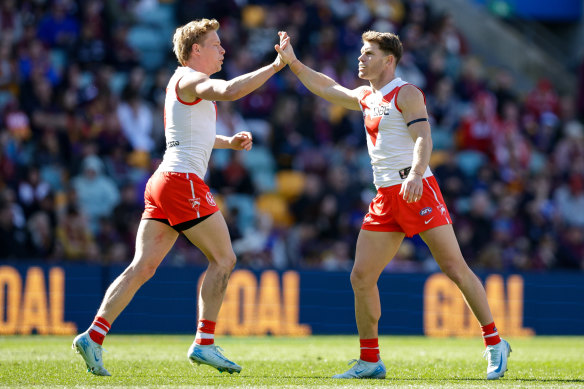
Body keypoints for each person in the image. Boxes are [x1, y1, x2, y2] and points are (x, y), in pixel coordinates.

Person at [275, 31, 511, 380]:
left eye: (368, 53)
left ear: (389, 60)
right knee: (361, 277)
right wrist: (292, 62)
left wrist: (416, 173)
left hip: (417, 188)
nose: (361, 58)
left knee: (455, 269)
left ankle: (495, 344)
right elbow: (326, 88)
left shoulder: (407, 93)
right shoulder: (367, 96)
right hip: (385, 195)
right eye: (360, 52)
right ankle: (370, 360)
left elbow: (424, 139)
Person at [72, 18, 288, 376]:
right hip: (181, 182)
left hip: (164, 180)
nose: (223, 49)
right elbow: (231, 90)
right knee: (224, 258)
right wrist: (276, 65)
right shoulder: (190, 78)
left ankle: (93, 336)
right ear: (196, 50)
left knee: (142, 267)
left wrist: (227, 141)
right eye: (216, 44)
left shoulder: (184, 83)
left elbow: (192, 134)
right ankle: (204, 343)